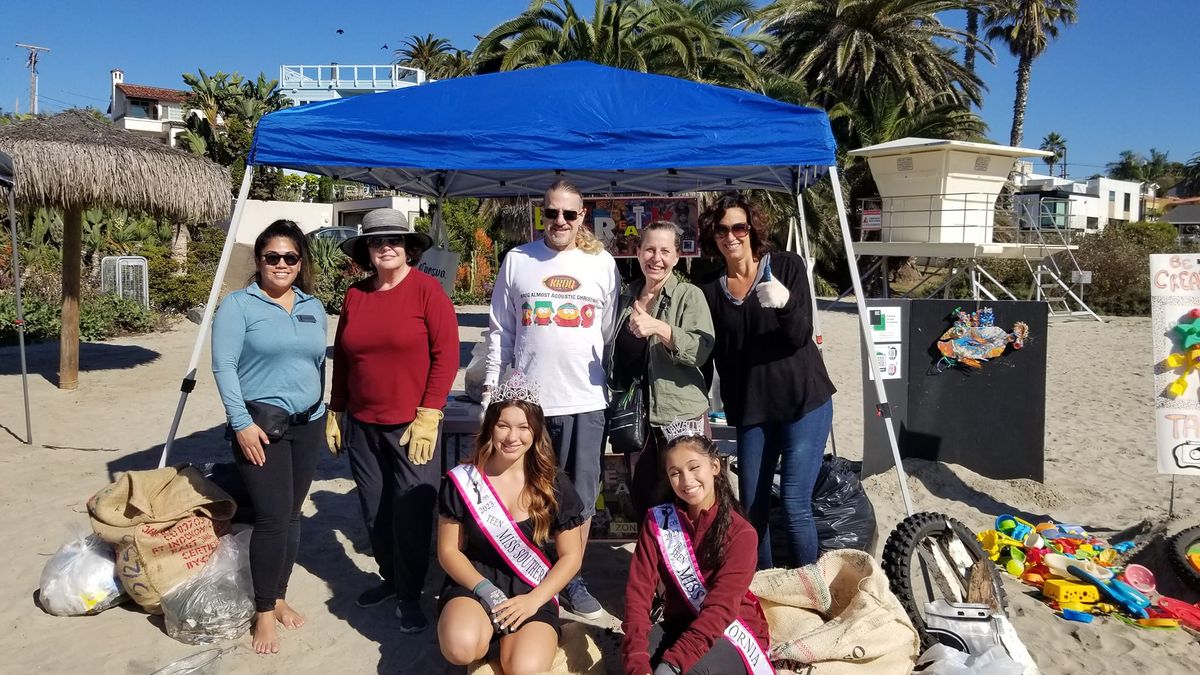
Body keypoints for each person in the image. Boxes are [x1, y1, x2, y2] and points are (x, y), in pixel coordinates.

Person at [484, 179, 620, 617]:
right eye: (551, 213)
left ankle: (572, 580)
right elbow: (500, 333)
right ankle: (532, 573)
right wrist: (491, 392)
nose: (559, 221)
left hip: (585, 400)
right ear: (541, 213)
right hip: (529, 405)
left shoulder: (601, 264)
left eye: (569, 213)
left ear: (582, 216)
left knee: (579, 498)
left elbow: (608, 333)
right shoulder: (518, 260)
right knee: (531, 492)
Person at [325, 208, 460, 632]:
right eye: (377, 241)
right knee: (375, 512)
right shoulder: (355, 295)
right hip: (363, 425)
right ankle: (392, 579)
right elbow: (344, 360)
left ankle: (410, 594)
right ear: (366, 248)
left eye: (395, 240)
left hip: (411, 427)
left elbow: (447, 355)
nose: (386, 247)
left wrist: (429, 411)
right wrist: (336, 409)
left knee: (412, 513)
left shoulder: (427, 292)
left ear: (408, 248)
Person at [698, 192, 835, 569]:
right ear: (714, 235)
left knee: (793, 503)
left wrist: (786, 302)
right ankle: (763, 590)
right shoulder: (710, 290)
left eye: (739, 227)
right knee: (751, 511)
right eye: (723, 229)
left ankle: (811, 590)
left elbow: (799, 335)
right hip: (752, 409)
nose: (731, 236)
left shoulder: (786, 266)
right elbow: (710, 354)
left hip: (802, 401)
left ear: (751, 229)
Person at [211, 219, 328, 654]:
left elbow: (318, 363)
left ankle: (278, 596)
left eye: (290, 257)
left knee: (294, 515)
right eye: (271, 257)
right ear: (259, 262)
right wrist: (241, 424)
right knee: (273, 518)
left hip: (309, 422)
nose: (281, 264)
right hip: (261, 426)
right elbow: (223, 367)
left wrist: (324, 408)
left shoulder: (312, 305)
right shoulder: (239, 306)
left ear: (301, 263)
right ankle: (263, 613)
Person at [437, 373, 586, 674]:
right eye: (503, 425)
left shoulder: (554, 484)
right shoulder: (464, 480)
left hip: (532, 587)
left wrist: (533, 601)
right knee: (460, 646)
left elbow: (572, 557)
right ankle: (488, 637)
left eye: (523, 427)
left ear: (536, 431)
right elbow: (448, 552)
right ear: (490, 426)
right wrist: (485, 590)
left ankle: (518, 642)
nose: (512, 437)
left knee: (524, 670)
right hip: (476, 581)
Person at [621, 426, 771, 675]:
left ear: (714, 467)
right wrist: (636, 660)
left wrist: (672, 665)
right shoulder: (657, 522)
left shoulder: (742, 534)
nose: (687, 480)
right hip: (678, 624)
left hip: (730, 631)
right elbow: (638, 594)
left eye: (694, 467)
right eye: (675, 473)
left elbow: (720, 610)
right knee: (632, 661)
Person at [607, 220, 714, 517]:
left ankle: (695, 561)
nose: (657, 258)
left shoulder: (689, 295)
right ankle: (653, 561)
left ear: (677, 257)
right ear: (638, 252)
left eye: (665, 251)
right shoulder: (626, 297)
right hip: (636, 416)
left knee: (690, 496)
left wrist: (661, 329)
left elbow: (700, 350)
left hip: (681, 413)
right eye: (650, 249)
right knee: (645, 496)